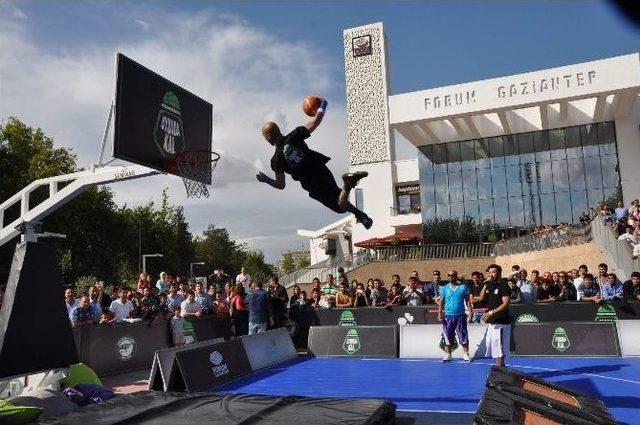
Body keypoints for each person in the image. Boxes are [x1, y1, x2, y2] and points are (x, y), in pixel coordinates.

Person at [256, 99, 373, 229]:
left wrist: (265, 179)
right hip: (321, 169)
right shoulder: (294, 136)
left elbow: (280, 185)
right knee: (337, 195)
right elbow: (316, 121)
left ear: (268, 136)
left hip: (311, 183)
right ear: (278, 130)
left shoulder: (276, 160)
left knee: (340, 207)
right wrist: (322, 104)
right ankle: (361, 215)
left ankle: (348, 183)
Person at [474, 264, 511, 367]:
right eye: (489, 272)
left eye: (493, 272)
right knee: (492, 343)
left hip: (501, 320)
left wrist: (490, 313)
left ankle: (501, 365)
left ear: (499, 273)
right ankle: (499, 364)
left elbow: (505, 303)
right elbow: (481, 298)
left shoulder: (504, 285)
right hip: (492, 320)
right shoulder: (489, 285)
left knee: (499, 344)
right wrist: (486, 283)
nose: (491, 274)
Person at [438, 270, 472, 362]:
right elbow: (441, 301)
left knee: (463, 334)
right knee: (448, 335)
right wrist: (440, 313)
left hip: (460, 315)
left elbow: (468, 300)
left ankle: (465, 353)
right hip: (448, 316)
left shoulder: (463, 287)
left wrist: (470, 311)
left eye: (453, 275)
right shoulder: (444, 288)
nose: (451, 277)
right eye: (449, 275)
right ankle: (448, 354)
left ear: (456, 276)